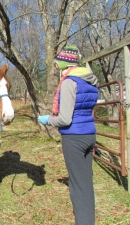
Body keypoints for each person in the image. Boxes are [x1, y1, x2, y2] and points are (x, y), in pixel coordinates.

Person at [38, 46, 98, 225]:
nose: (58, 72)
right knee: (85, 182)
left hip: (74, 138)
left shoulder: (69, 82)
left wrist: (47, 119)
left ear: (64, 65)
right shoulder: (90, 80)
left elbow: (64, 119)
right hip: (89, 134)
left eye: (58, 67)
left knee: (78, 186)